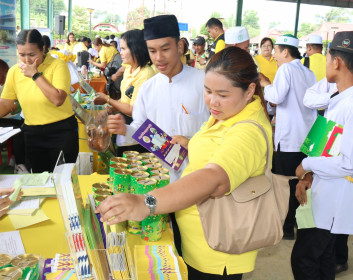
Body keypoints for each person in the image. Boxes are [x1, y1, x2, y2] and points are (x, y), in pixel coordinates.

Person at [97, 46, 272, 280]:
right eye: (208, 91)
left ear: (250, 90)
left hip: (216, 255)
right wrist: (192, 143)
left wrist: (146, 203)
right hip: (199, 243)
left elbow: (213, 179)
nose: (213, 102)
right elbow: (218, 149)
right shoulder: (229, 114)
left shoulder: (247, 132)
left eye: (222, 94)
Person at [292, 31, 353, 280]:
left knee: (304, 259)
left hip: (333, 200)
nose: (326, 64)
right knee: (323, 258)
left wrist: (305, 164)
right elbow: (327, 146)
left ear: (336, 62)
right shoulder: (339, 99)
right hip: (323, 193)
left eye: (328, 58)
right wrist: (308, 175)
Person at [107, 14, 209, 182]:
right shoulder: (148, 88)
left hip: (199, 174)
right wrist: (124, 129)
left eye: (165, 49)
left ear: (179, 46)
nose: (158, 58)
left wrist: (192, 144)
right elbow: (141, 127)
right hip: (160, 177)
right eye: (152, 51)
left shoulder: (204, 82)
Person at [259, 34, 317, 240]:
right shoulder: (308, 73)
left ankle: (285, 226)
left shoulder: (286, 69)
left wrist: (266, 84)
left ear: (285, 51)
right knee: (301, 181)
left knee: (285, 184)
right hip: (308, 137)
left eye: (276, 51)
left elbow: (276, 97)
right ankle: (299, 224)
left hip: (290, 138)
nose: (274, 56)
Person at [0, 29, 79, 173]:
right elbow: (6, 103)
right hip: (32, 133)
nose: (27, 60)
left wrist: (35, 75)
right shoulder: (14, 71)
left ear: (43, 49)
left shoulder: (58, 66)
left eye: (32, 54)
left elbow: (57, 99)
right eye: (22, 55)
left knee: (62, 180)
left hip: (61, 131)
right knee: (39, 179)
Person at [94, 29, 156, 155]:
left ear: (135, 49)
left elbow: (133, 109)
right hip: (126, 125)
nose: (120, 53)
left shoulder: (146, 74)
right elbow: (124, 100)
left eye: (123, 49)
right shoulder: (128, 68)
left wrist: (107, 99)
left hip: (140, 130)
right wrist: (108, 110)